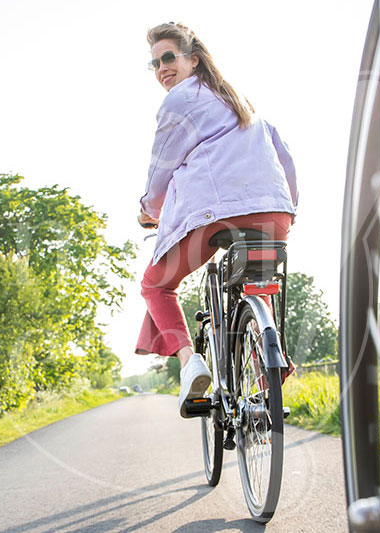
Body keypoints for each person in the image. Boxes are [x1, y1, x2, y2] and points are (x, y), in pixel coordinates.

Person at [135, 22, 298, 418]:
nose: (161, 69)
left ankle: (192, 363)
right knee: (257, 283)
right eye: (154, 63)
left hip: (211, 215)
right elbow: (286, 158)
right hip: (273, 212)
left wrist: (148, 212)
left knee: (156, 284)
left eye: (169, 57)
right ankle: (266, 373)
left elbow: (161, 172)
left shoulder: (179, 102)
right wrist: (287, 207)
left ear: (193, 59)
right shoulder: (241, 101)